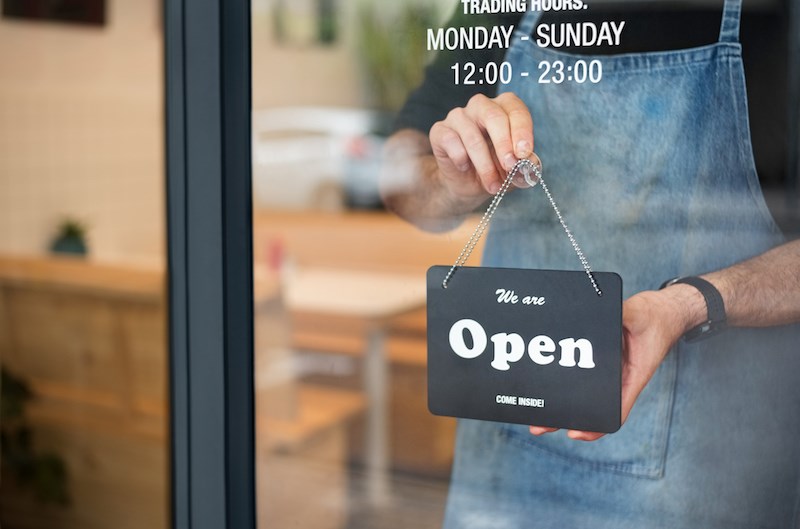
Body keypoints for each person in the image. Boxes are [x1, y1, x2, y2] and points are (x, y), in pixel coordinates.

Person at [380, 1, 800, 527]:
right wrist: (448, 181)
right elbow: (396, 175)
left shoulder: (773, 15)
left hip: (696, 484)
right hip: (505, 474)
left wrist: (693, 302)